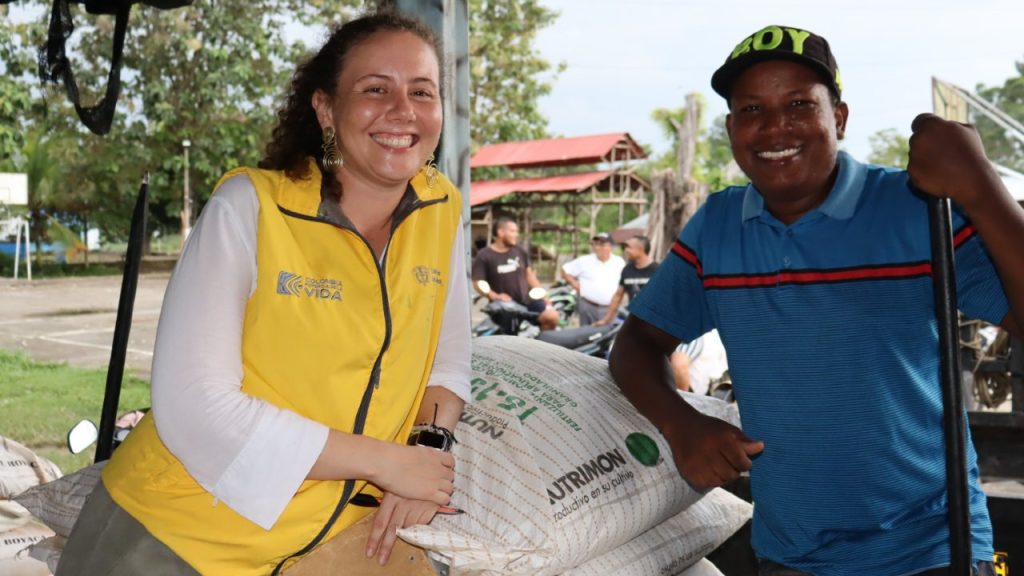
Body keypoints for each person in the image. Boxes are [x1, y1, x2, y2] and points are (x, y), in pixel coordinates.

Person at [57, 11, 471, 575]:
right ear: (325, 108)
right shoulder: (252, 209)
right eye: (376, 89)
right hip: (174, 537)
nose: (403, 111)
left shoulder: (441, 210)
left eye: (422, 92)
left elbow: (448, 357)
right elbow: (194, 407)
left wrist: (429, 448)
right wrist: (388, 463)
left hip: (322, 542)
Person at [610, 24, 1023, 576]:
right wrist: (681, 424)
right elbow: (637, 342)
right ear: (732, 129)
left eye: (800, 104)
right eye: (752, 109)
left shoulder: (913, 208)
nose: (775, 126)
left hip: (934, 548)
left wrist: (981, 186)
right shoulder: (718, 226)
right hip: (790, 554)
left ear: (840, 118)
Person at [472, 216, 559, 330]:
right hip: (504, 306)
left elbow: (529, 275)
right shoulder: (484, 255)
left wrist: (543, 296)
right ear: (500, 232)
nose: (516, 234)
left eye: (517, 231)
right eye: (512, 231)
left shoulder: (519, 251)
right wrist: (494, 296)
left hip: (527, 300)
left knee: (552, 317)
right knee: (510, 333)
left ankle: (541, 345)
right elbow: (478, 282)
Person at [561, 232, 626, 326]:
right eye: (595, 244)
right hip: (588, 305)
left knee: (609, 335)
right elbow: (565, 269)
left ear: (611, 247)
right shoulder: (584, 260)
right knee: (585, 334)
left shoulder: (619, 262)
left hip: (610, 308)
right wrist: (575, 284)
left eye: (602, 244)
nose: (597, 247)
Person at [593, 235, 657, 326]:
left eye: (629, 247)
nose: (626, 250)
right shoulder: (627, 270)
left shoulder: (658, 270)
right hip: (634, 320)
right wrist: (606, 320)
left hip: (653, 322)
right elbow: (618, 296)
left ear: (640, 249)